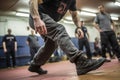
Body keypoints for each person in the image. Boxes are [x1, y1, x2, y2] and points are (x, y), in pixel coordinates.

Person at [28, 0, 105, 75]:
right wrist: (36, 18)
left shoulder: (72, 1)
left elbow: (74, 14)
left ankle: (35, 65)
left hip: (48, 20)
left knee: (52, 44)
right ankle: (80, 61)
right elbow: (32, 1)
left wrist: (78, 27)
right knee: (59, 30)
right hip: (39, 16)